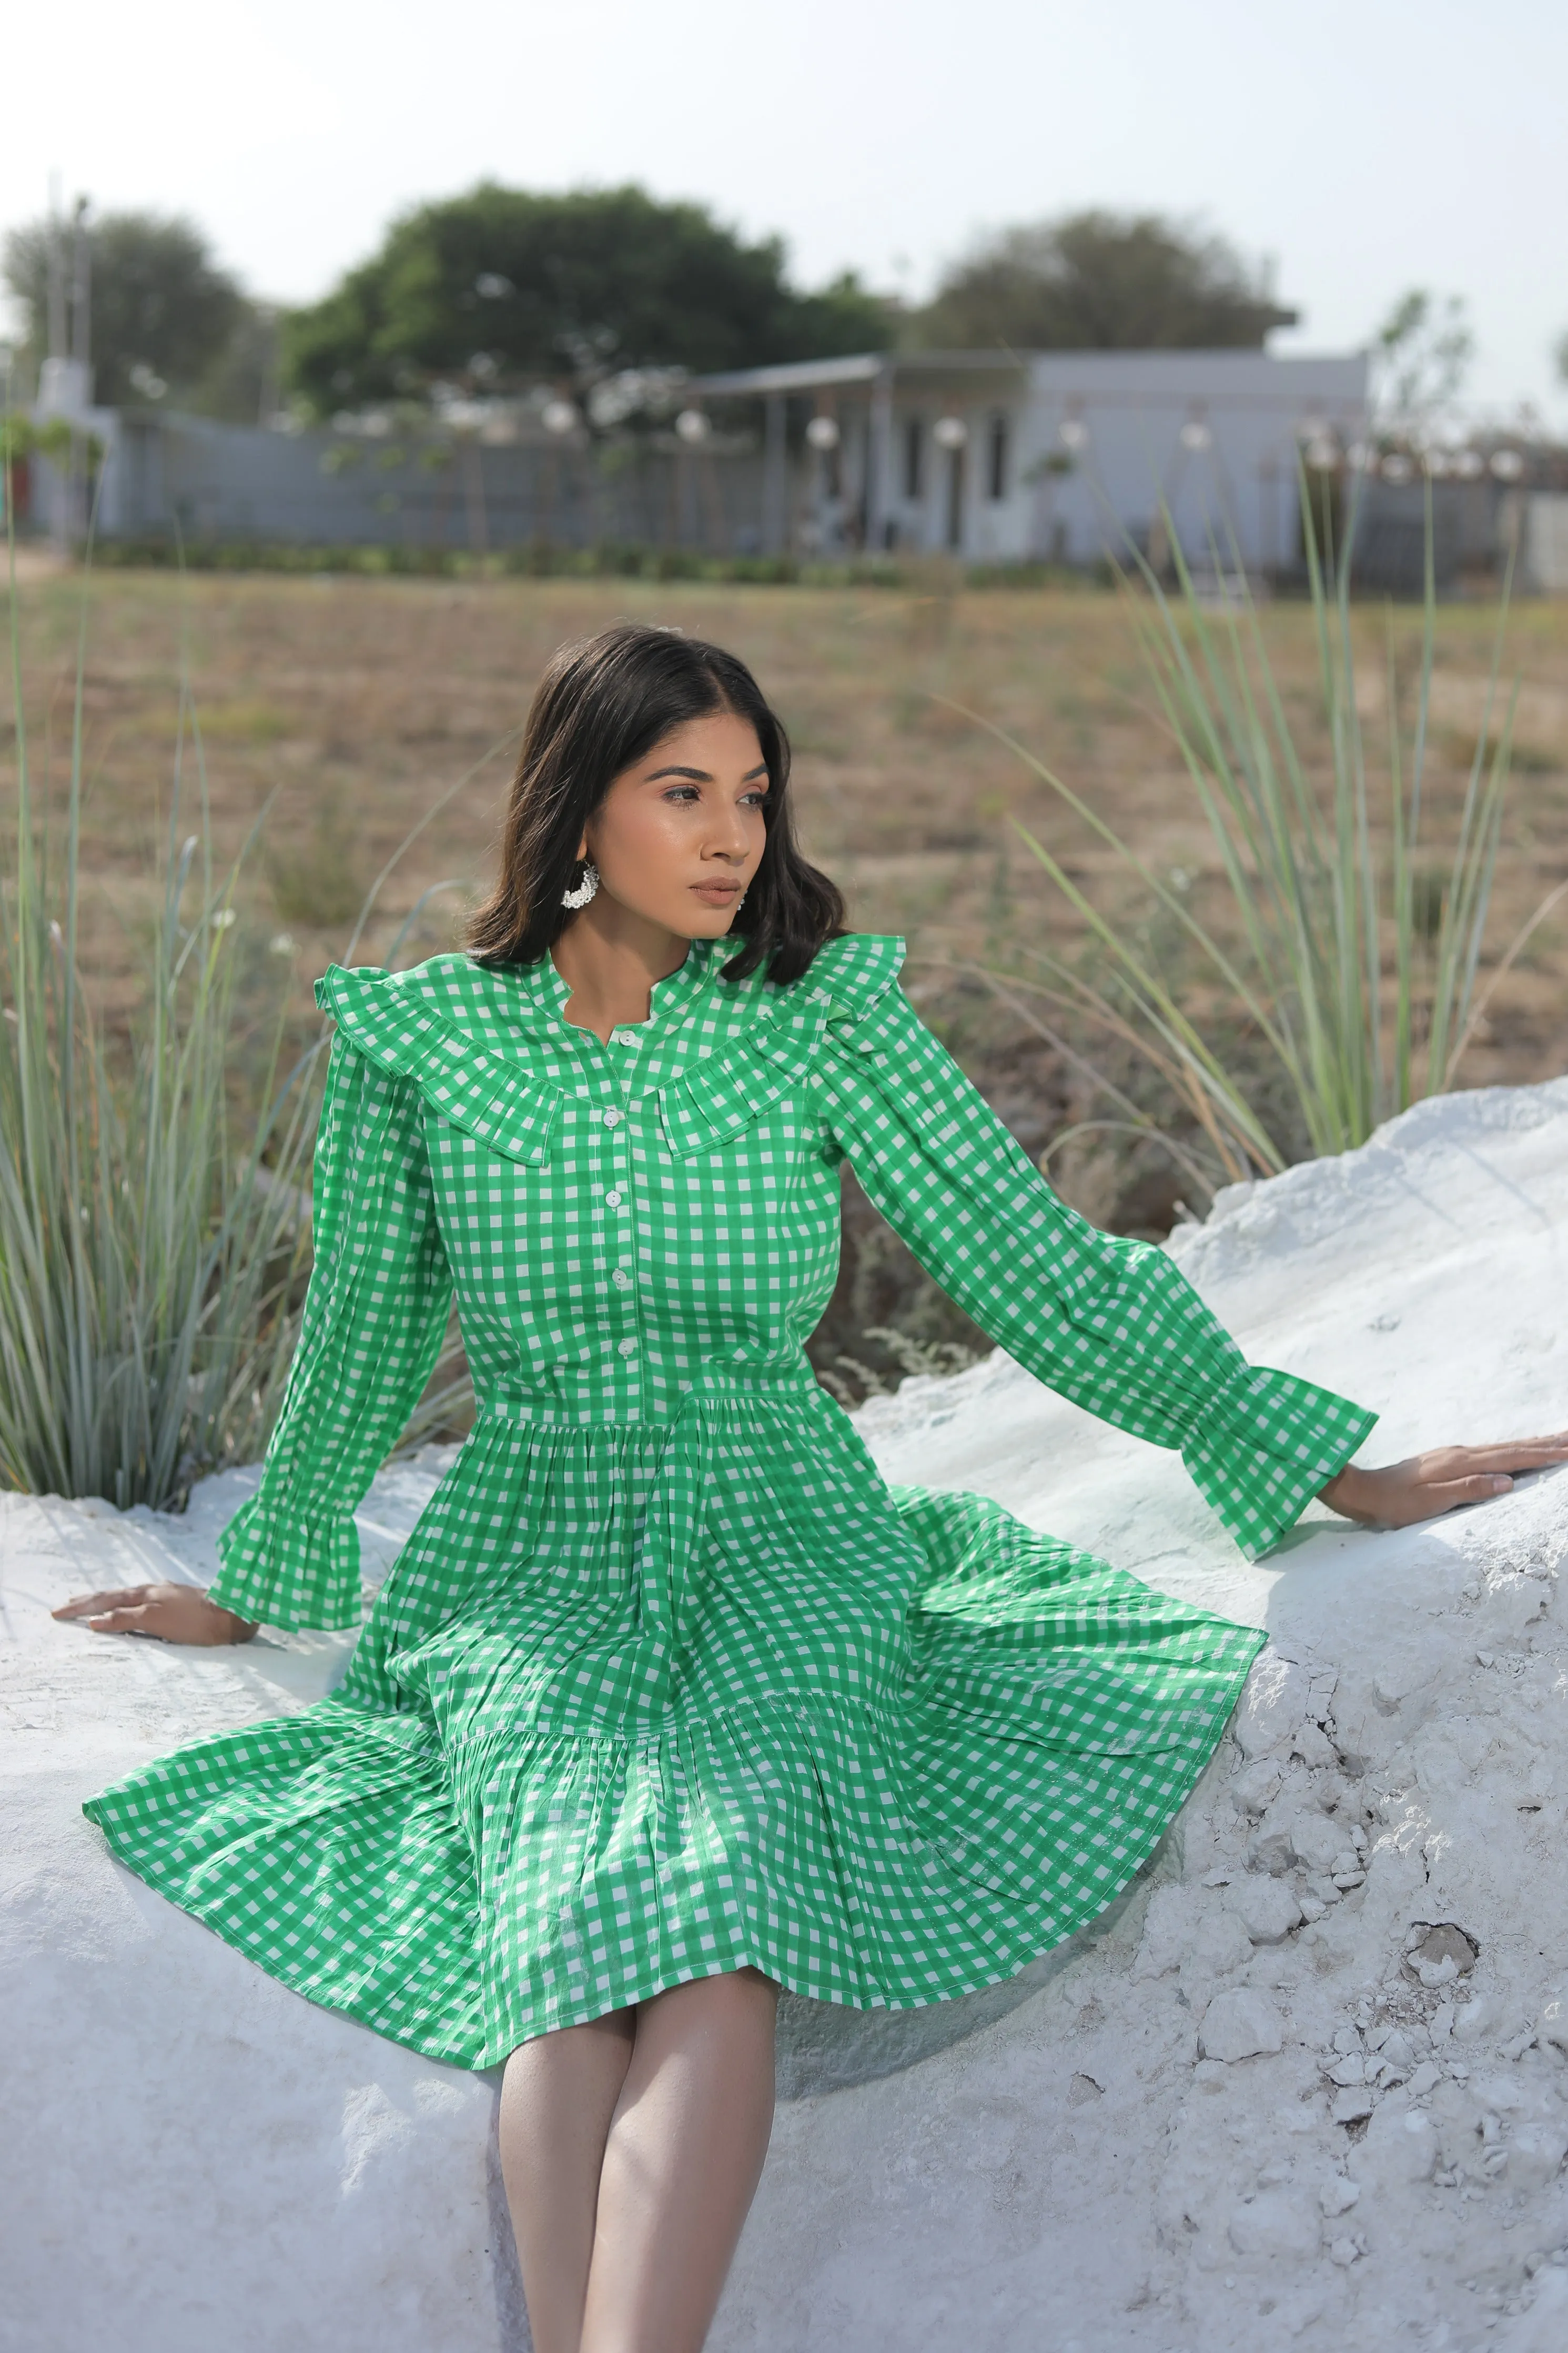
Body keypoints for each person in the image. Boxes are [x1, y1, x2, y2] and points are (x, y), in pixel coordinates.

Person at [58, 622, 1568, 2353]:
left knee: (717, 1905)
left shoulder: (814, 1017)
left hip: (784, 1531)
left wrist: (1323, 1463)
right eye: (680, 791)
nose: (729, 837)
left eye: (753, 796)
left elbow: (1038, 1267)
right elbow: (362, 1334)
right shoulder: (429, 1048)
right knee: (566, 1936)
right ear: (574, 813)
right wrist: (262, 1574)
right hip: (525, 1564)